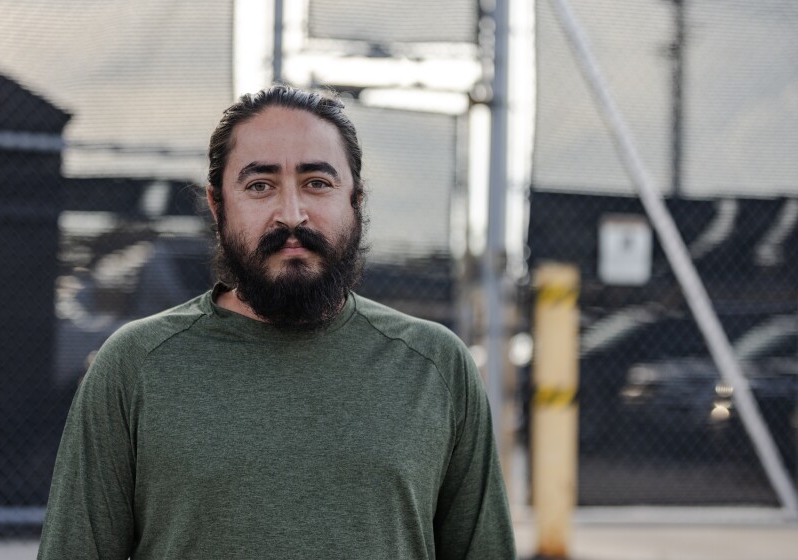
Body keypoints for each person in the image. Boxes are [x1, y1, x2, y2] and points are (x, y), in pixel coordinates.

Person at [38, 85, 517, 559]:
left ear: (355, 200)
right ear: (217, 204)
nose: (291, 215)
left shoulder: (434, 365)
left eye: (317, 183)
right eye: (260, 185)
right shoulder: (135, 365)